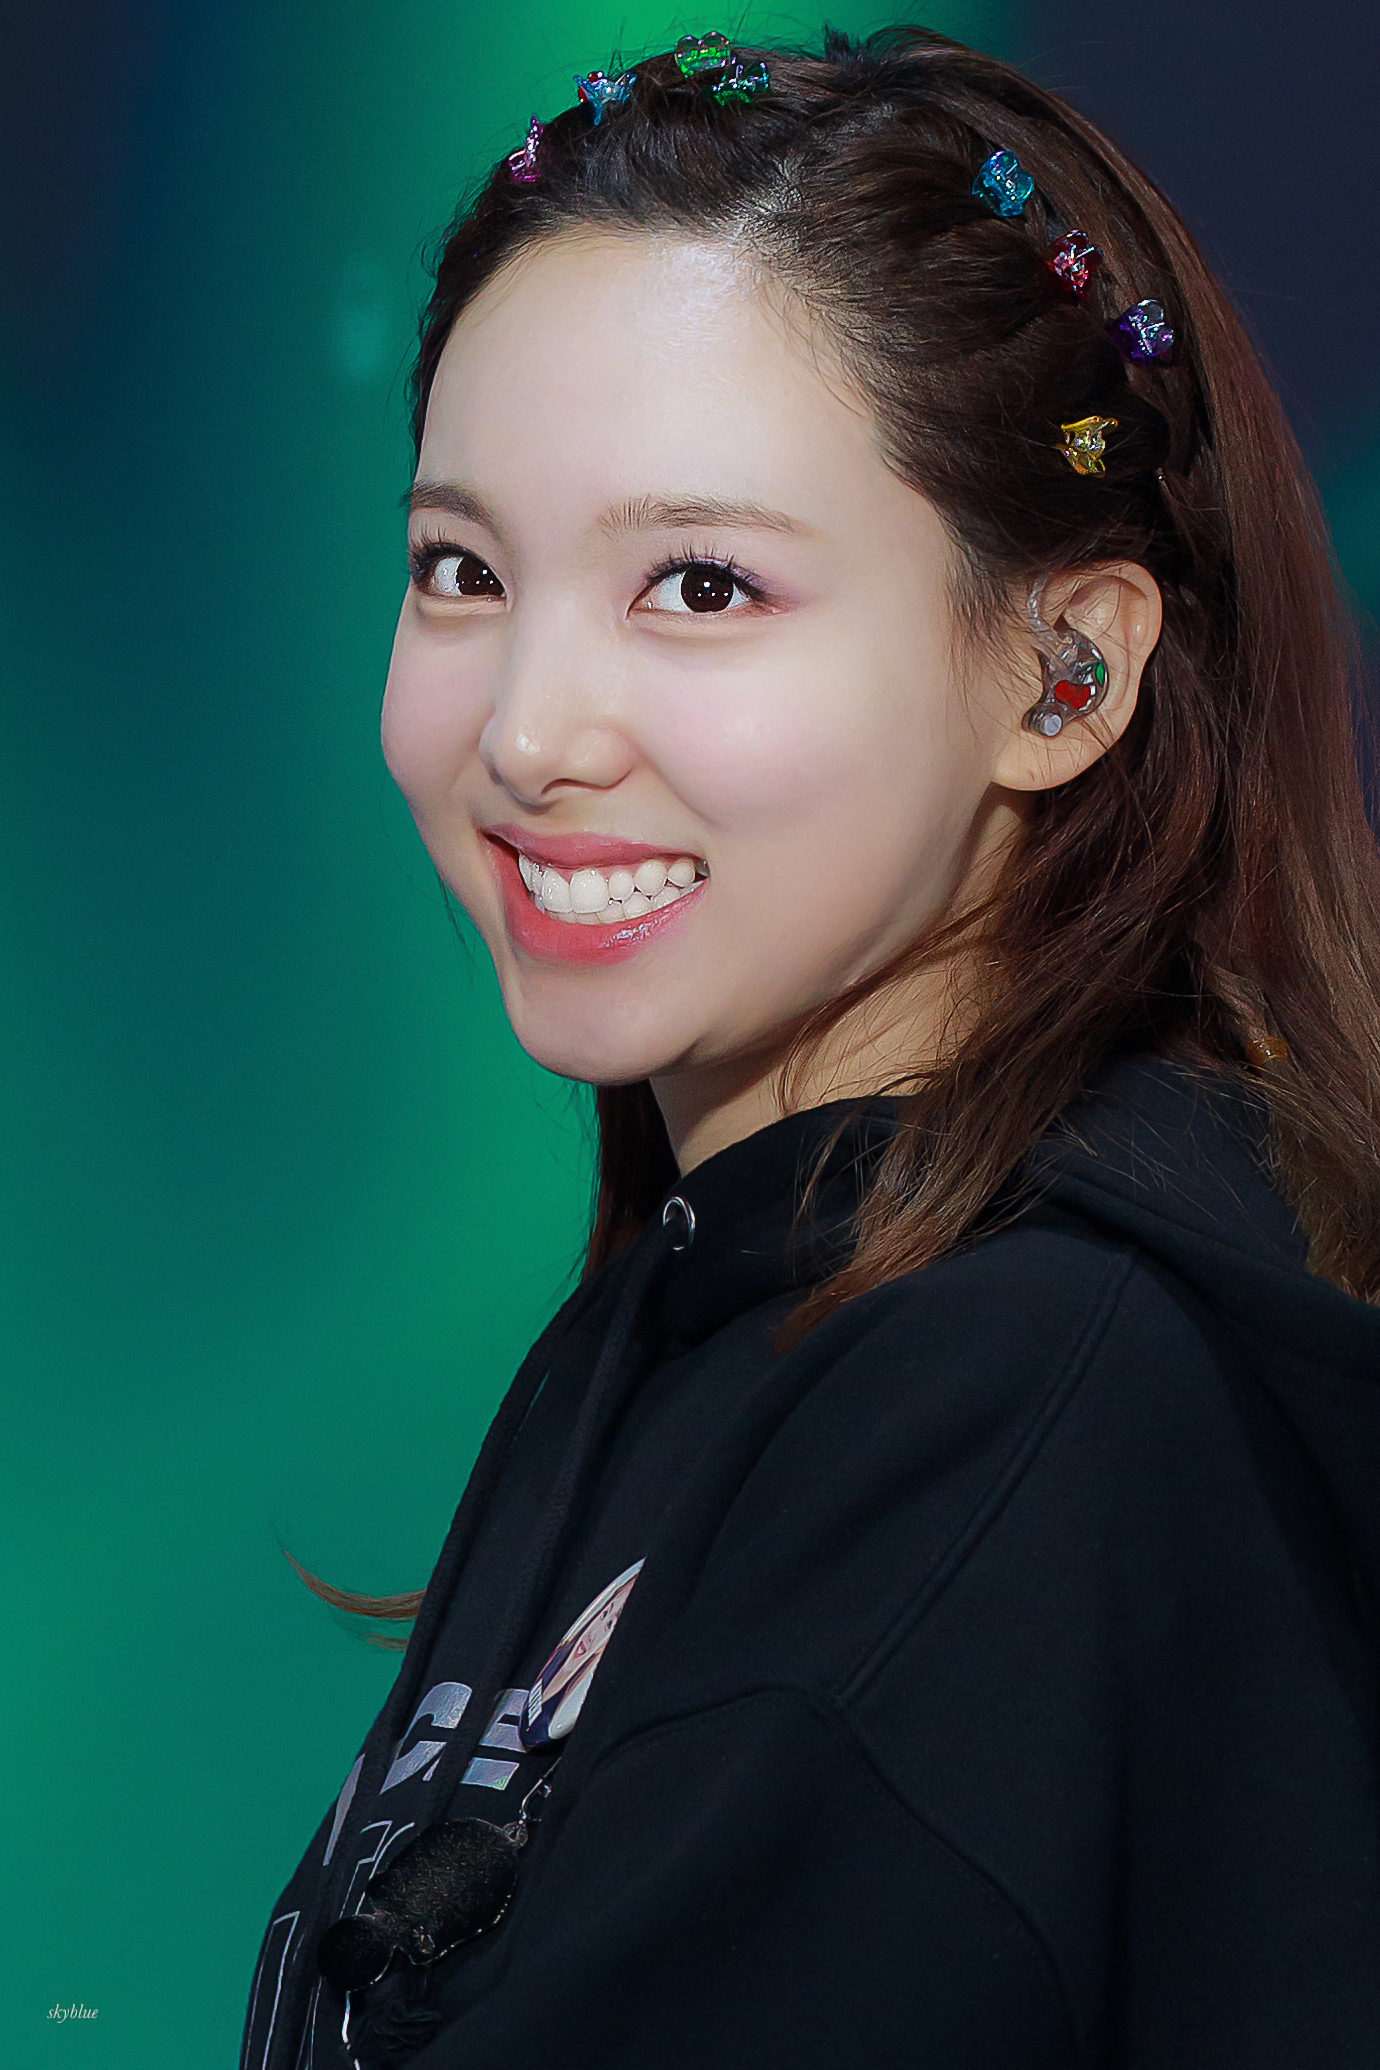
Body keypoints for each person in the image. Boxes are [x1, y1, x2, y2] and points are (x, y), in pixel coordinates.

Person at [240, 24, 1380, 2070]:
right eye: (462, 569)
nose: (529, 730)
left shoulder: (1015, 1412)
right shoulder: (727, 1303)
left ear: (1065, 672)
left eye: (700, 583)